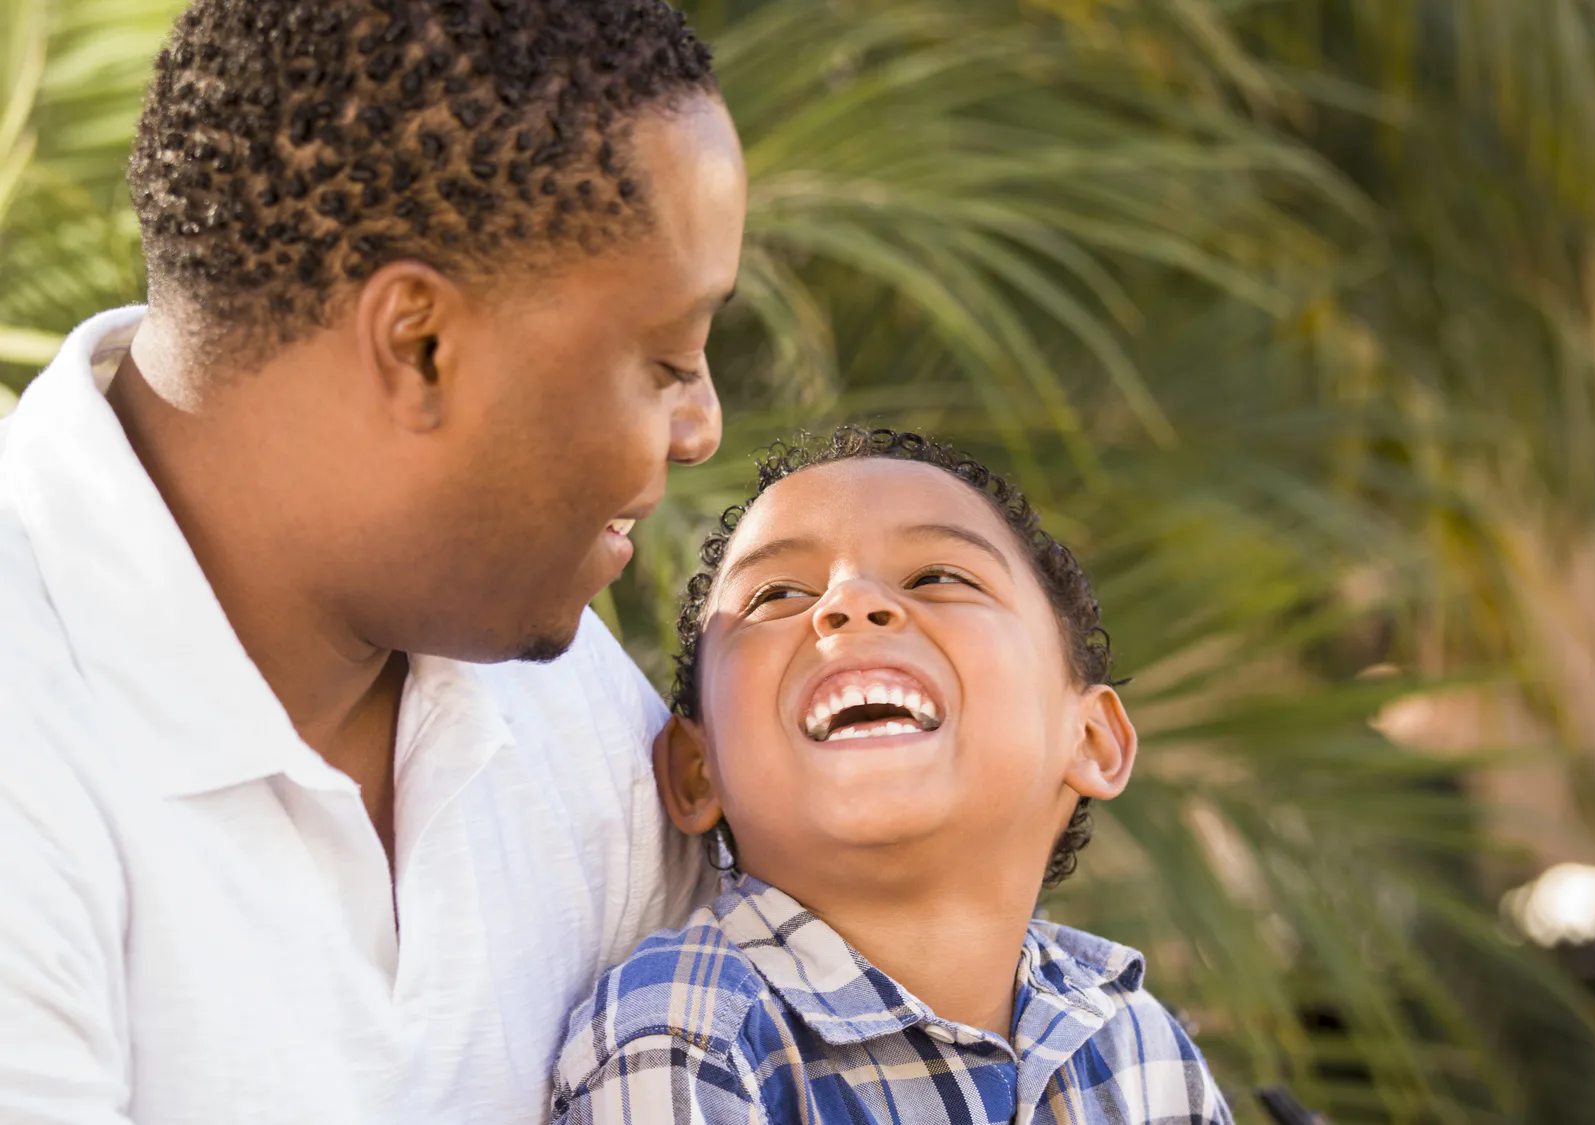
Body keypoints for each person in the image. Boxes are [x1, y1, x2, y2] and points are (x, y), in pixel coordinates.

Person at [0, 1, 746, 1122]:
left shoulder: (557, 699)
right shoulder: (27, 749)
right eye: (669, 360)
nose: (702, 429)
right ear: (419, 346)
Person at [551, 427, 1234, 1124]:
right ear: (697, 771)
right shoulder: (686, 1037)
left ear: (1089, 739)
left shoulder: (1142, 1046)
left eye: (937, 578)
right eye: (777, 594)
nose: (848, 602)